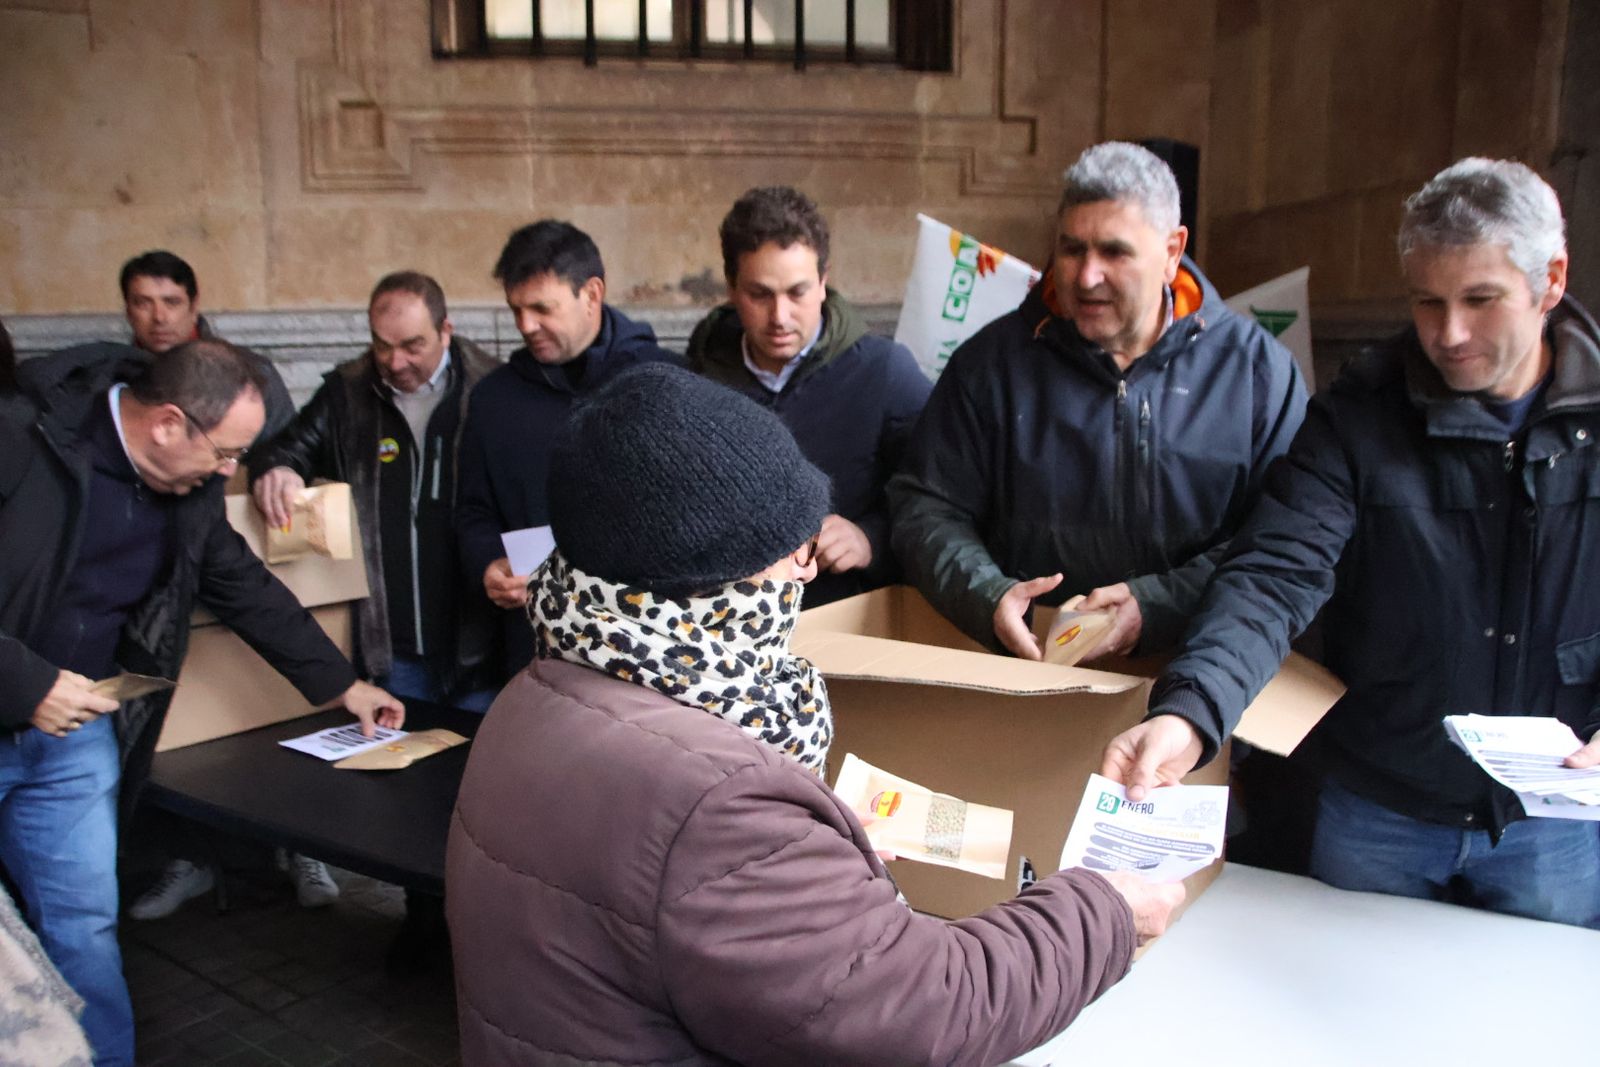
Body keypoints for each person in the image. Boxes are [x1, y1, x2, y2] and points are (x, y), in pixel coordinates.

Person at [447, 363, 1181, 1066]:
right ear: (700, 575)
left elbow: (647, 891)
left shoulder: (538, 688)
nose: (806, 569)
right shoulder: (719, 806)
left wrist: (794, 863)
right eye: (787, 551)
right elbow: (931, 1008)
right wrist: (1104, 908)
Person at [1101, 158, 1600, 929]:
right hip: (1381, 806)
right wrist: (1192, 713)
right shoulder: (1360, 416)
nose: (1450, 333)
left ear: (1553, 279)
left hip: (1558, 824)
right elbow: (1272, 577)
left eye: (1480, 299)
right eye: (1427, 301)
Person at [0, 338, 404, 1064]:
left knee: (84, 926)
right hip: (16, 701)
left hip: (74, 740)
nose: (230, 471)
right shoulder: (19, 437)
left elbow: (240, 584)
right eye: (225, 453)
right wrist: (25, 684)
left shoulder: (189, 491)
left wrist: (344, 683)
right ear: (166, 424)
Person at [889, 142, 1306, 661]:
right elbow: (925, 505)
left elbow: (1285, 539)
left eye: (1114, 252)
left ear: (1172, 252)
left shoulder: (1257, 372)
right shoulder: (990, 366)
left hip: (1195, 677)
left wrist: (1155, 606)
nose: (1086, 277)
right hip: (1028, 673)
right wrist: (987, 596)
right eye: (1071, 249)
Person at [686, 185, 931, 606]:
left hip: (848, 621)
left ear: (823, 280)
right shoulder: (696, 378)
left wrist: (871, 537)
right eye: (759, 294)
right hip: (723, 631)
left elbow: (942, 501)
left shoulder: (886, 373)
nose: (779, 317)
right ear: (731, 287)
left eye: (797, 292)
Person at [456, 220, 679, 678]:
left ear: (592, 294)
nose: (525, 325)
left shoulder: (669, 384)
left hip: (647, 649)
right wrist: (488, 565)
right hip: (533, 652)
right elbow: (473, 513)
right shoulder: (492, 399)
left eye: (542, 308)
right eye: (516, 309)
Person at [118, 250, 294, 441]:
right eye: (143, 303)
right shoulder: (109, 378)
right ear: (128, 311)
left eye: (172, 302)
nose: (159, 317)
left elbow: (283, 452)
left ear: (194, 307)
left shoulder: (252, 372)